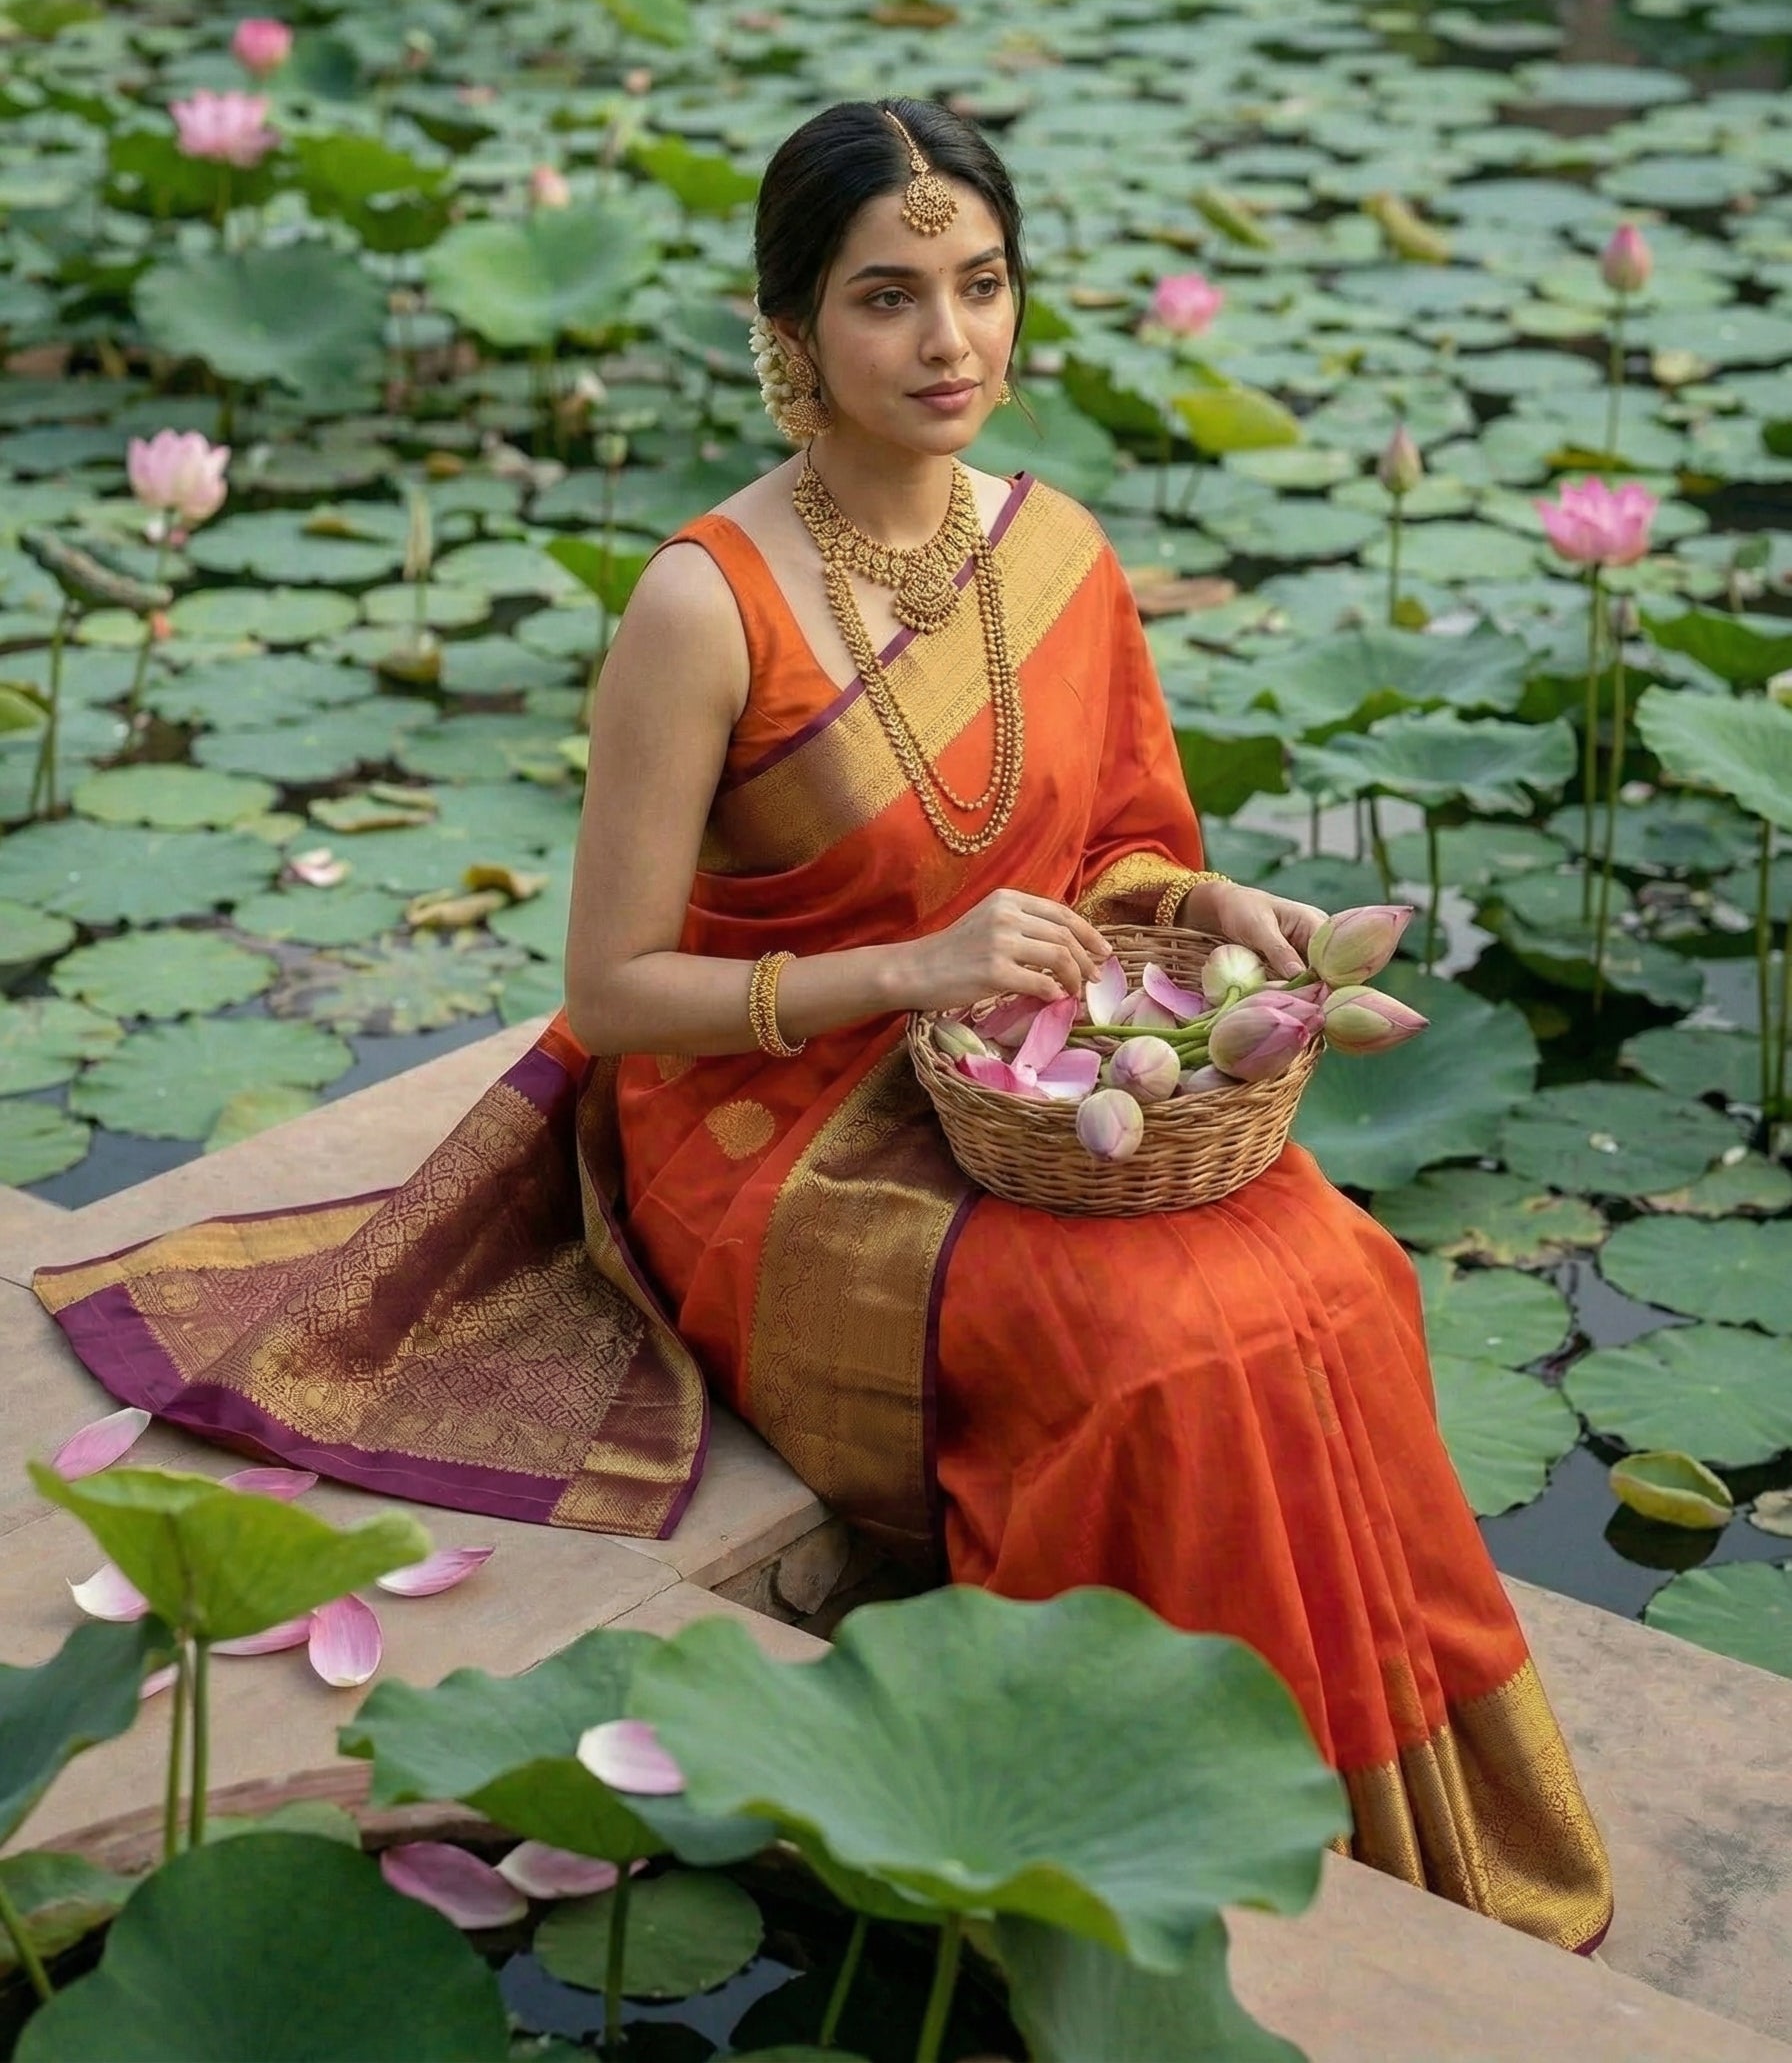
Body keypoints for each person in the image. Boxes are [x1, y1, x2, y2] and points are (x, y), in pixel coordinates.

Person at [36, 98, 1610, 1955]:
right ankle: (1105, 1850)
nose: (950, 343)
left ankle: (1361, 1827)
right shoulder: (703, 606)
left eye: (983, 285)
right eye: (888, 297)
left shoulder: (1061, 554)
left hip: (1019, 1071)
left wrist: (1209, 911)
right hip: (759, 1127)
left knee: (1337, 1277)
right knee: (1150, 1350)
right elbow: (613, 994)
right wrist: (908, 971)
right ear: (789, 334)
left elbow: (1111, 850)